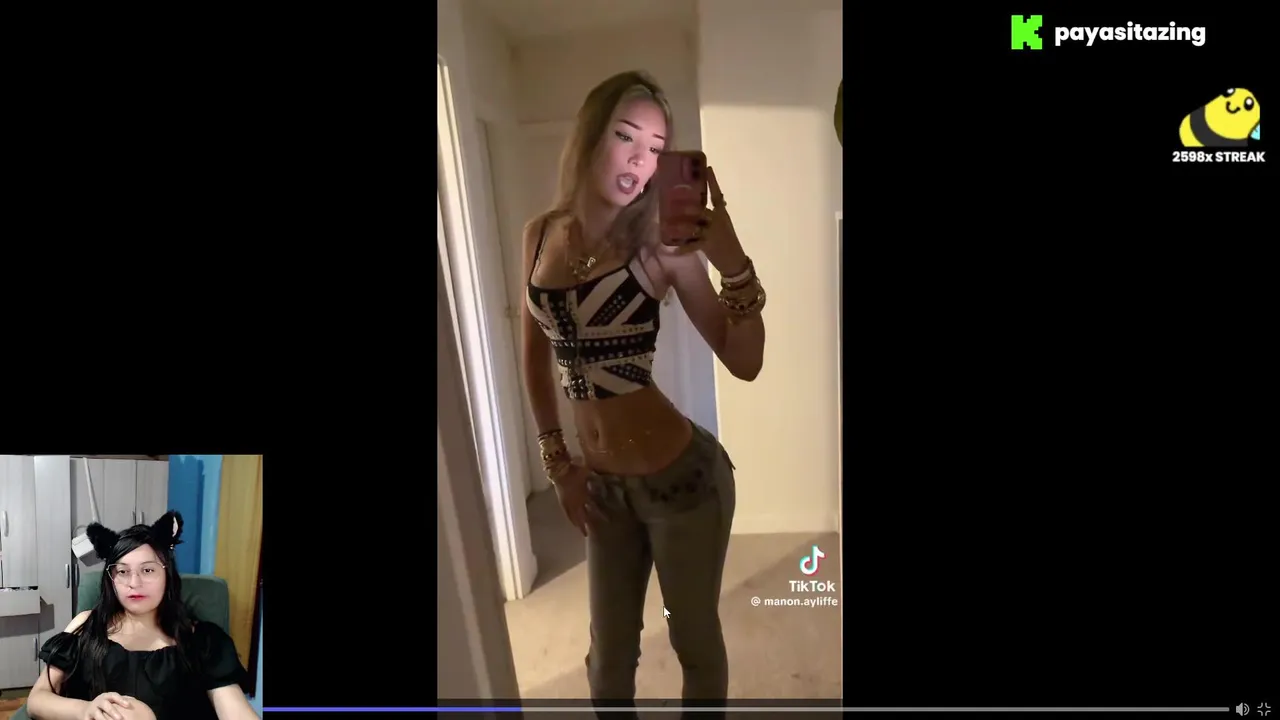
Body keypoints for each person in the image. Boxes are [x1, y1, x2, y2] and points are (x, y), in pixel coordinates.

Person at [521, 70, 767, 704]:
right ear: (590, 135)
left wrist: (733, 263)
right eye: (625, 136)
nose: (639, 159)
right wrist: (559, 467)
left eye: (656, 148)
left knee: (693, 642)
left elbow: (744, 361)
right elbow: (535, 360)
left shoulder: (664, 248)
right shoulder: (540, 235)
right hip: (603, 489)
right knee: (607, 665)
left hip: (683, 483)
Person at [26, 511, 259, 720]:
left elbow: (236, 712)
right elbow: (37, 700)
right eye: (122, 571)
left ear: (167, 575)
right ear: (111, 579)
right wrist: (85, 710)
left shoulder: (203, 640)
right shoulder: (86, 625)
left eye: (147, 570)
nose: (134, 583)